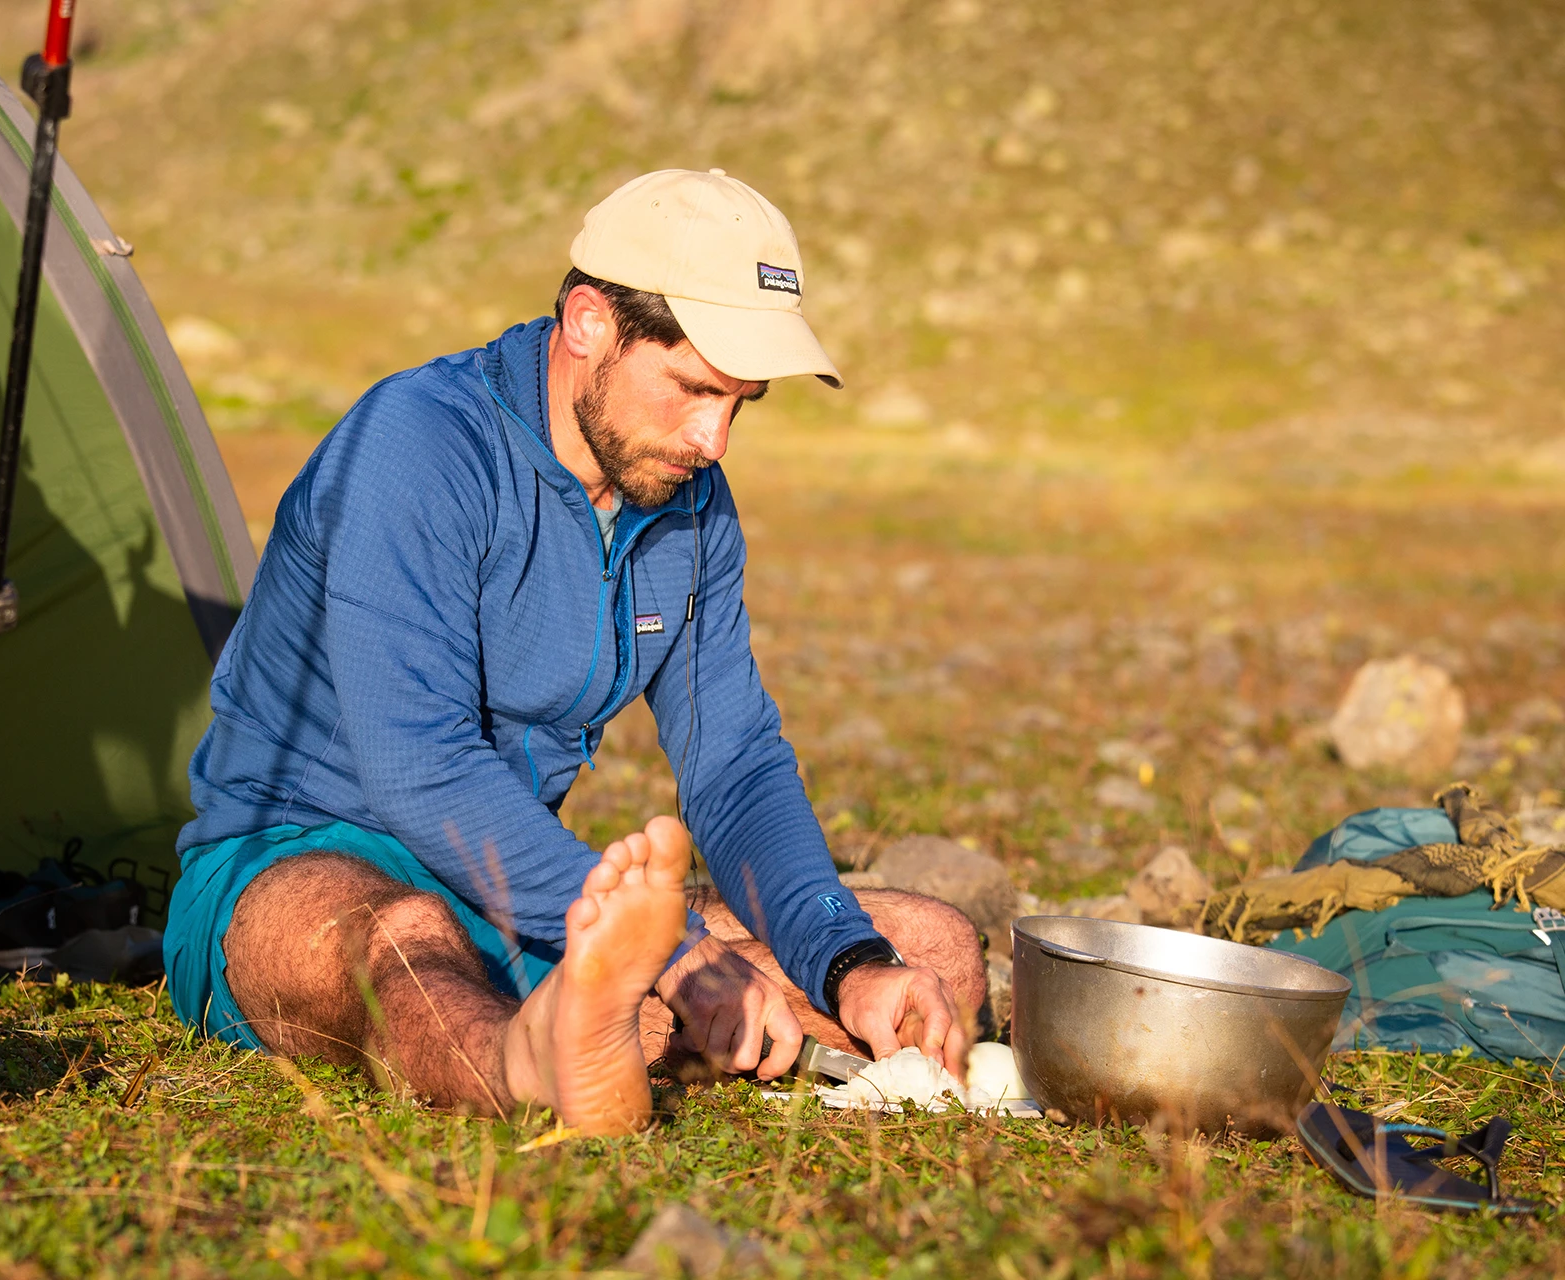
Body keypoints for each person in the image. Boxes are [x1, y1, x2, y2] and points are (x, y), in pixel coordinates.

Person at [164, 169, 986, 1134]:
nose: (714, 440)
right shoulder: (417, 448)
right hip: (297, 868)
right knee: (411, 939)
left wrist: (850, 965)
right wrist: (680, 951)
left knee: (932, 944)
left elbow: (733, 766)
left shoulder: (686, 503)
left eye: (742, 403)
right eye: (692, 389)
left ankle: (601, 1018)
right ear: (590, 323)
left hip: (521, 894)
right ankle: (545, 1053)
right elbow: (416, 769)